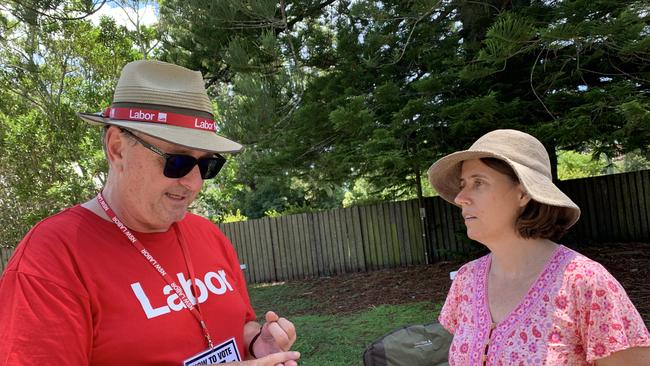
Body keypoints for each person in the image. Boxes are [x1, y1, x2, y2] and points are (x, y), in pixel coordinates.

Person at [0, 60, 299, 366]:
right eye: (177, 162)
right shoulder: (51, 259)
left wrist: (254, 342)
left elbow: (237, 323)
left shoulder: (208, 234)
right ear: (117, 148)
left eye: (207, 165)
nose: (194, 183)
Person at [427, 129, 650, 365]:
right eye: (463, 184)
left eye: (478, 183)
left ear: (523, 194)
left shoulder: (584, 282)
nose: (461, 197)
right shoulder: (466, 281)